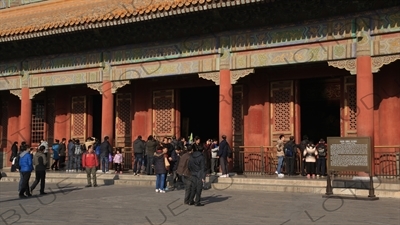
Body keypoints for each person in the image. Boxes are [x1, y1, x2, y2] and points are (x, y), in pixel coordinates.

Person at [188, 136, 205, 206]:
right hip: (199, 174)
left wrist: (191, 171)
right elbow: (203, 167)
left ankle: (190, 200)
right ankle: (197, 201)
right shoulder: (201, 157)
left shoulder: (191, 156)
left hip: (193, 173)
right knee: (199, 188)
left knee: (193, 187)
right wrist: (203, 177)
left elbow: (189, 165)